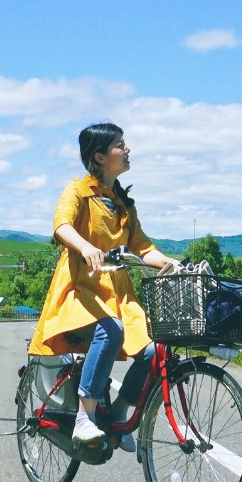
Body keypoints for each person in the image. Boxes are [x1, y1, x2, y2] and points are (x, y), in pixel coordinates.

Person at [27, 122, 179, 444]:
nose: (127, 150)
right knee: (110, 330)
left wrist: (172, 263)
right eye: (120, 145)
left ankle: (119, 411)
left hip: (119, 295)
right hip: (80, 291)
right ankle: (85, 416)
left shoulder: (123, 204)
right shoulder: (78, 190)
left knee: (155, 351)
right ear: (99, 156)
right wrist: (85, 246)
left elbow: (144, 248)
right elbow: (61, 225)